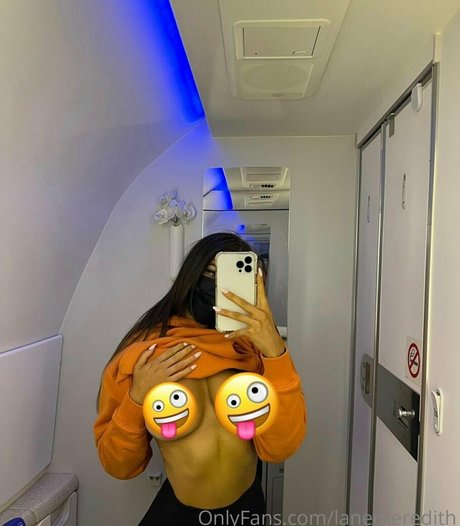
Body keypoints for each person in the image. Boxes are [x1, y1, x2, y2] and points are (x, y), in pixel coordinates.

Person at [94, 232, 307, 525]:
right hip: (179, 514)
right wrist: (136, 398)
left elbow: (280, 448)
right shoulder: (144, 356)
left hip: (248, 509)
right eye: (210, 274)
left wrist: (275, 351)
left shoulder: (254, 352)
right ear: (190, 276)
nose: (219, 288)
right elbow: (119, 465)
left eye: (232, 280)